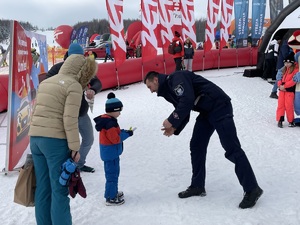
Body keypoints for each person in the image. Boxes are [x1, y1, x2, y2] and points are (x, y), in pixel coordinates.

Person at [144, 70, 263, 209]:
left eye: (149, 86)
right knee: (196, 145)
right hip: (206, 111)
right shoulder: (168, 90)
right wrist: (175, 127)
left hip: (219, 106)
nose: (150, 91)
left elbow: (187, 100)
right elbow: (184, 110)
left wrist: (171, 120)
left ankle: (252, 189)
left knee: (232, 148)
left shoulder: (177, 78)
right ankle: (197, 186)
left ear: (156, 79)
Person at [29, 53, 98, 225]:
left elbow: (36, 111)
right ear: (82, 71)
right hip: (55, 142)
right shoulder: (73, 86)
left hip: (36, 140)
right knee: (59, 190)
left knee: (43, 189)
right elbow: (70, 119)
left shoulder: (45, 83)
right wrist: (75, 148)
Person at [46, 43, 102, 173]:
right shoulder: (58, 68)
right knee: (66, 143)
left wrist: (93, 90)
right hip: (63, 113)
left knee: (88, 139)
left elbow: (97, 82)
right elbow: (45, 84)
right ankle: (66, 168)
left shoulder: (85, 68)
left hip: (81, 112)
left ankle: (78, 164)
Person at [93, 92, 134, 206]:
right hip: (110, 154)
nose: (120, 113)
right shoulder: (109, 123)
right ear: (113, 110)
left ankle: (113, 192)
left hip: (112, 154)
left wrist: (125, 131)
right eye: (119, 111)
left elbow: (116, 134)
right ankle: (110, 197)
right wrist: (127, 135)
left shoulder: (109, 121)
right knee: (112, 175)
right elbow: (115, 139)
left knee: (114, 174)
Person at [276, 53, 297, 128]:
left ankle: (291, 120)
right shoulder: (283, 69)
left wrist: (284, 86)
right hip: (282, 91)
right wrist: (280, 85)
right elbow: (279, 78)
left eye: (288, 63)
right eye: (285, 63)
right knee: (281, 105)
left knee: (289, 106)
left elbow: (293, 81)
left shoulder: (295, 70)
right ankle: (280, 119)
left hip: (289, 91)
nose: (286, 64)